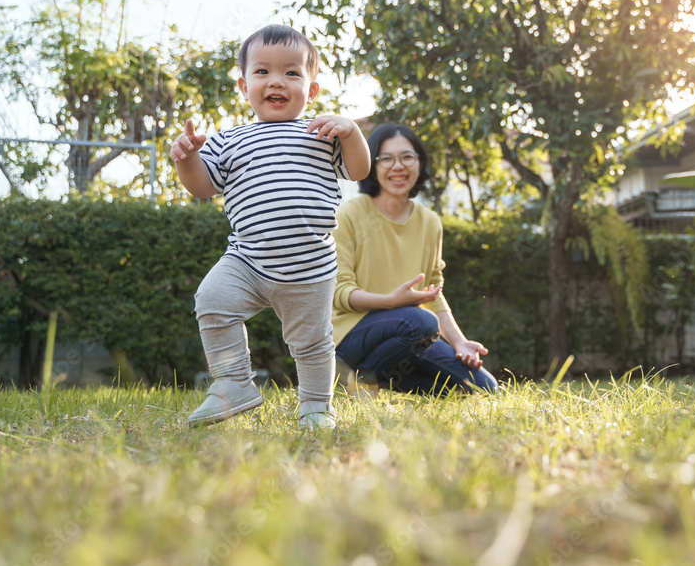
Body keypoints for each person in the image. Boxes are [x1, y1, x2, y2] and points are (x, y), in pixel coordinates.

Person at [170, 24, 370, 429]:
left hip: (309, 267)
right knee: (212, 300)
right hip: (247, 259)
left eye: (292, 73)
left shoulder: (322, 134)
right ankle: (233, 382)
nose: (276, 81)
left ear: (311, 90)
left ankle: (316, 407)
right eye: (262, 72)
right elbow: (202, 187)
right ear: (245, 86)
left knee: (312, 344)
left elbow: (360, 168)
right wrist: (186, 159)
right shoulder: (229, 141)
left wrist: (351, 131)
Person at [332, 124, 498, 396]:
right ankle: (362, 381)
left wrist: (459, 342)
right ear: (372, 165)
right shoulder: (349, 215)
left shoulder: (430, 222)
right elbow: (339, 293)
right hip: (350, 335)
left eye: (407, 157)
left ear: (420, 163)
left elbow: (433, 291)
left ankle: (375, 376)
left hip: (407, 336)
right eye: (386, 158)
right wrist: (390, 302)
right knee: (421, 321)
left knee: (483, 387)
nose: (398, 166)